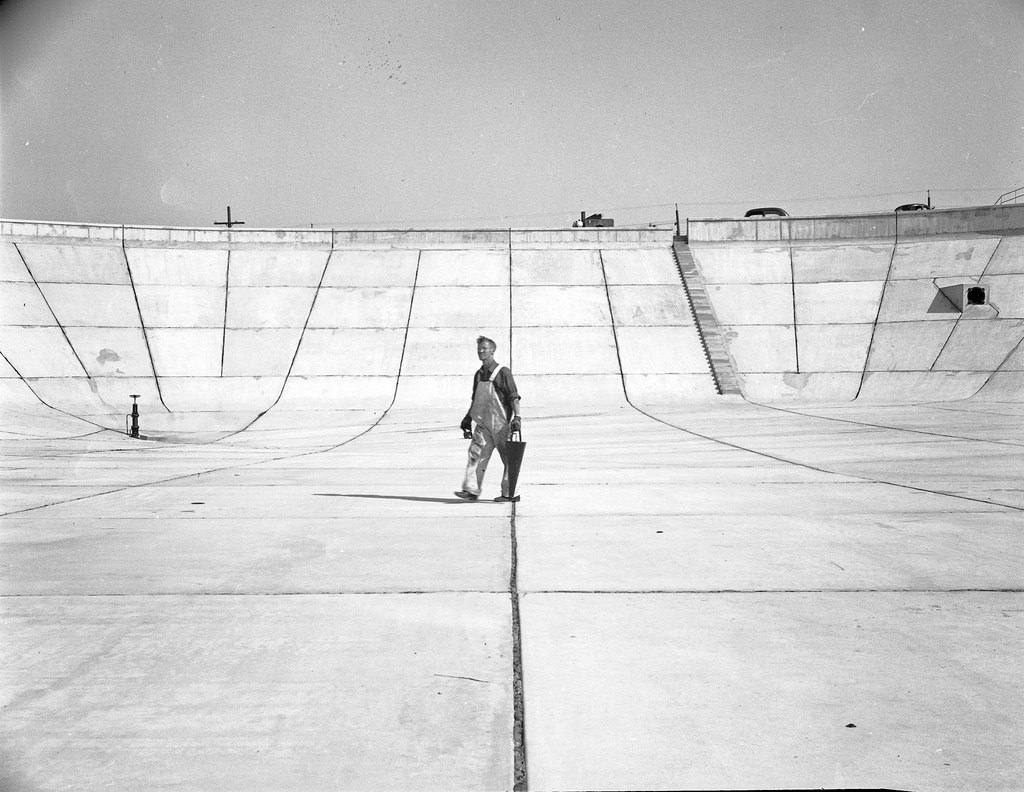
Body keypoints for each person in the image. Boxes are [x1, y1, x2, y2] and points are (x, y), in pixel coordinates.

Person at [454, 336, 522, 502]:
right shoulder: (478, 375)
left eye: (485, 348)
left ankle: (511, 493)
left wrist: (517, 417)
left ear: (493, 350)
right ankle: (471, 490)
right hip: (483, 423)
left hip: (501, 425)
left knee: (508, 459)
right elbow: (475, 399)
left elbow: (513, 396)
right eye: (479, 348)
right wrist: (467, 419)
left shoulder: (503, 372)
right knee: (475, 454)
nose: (481, 351)